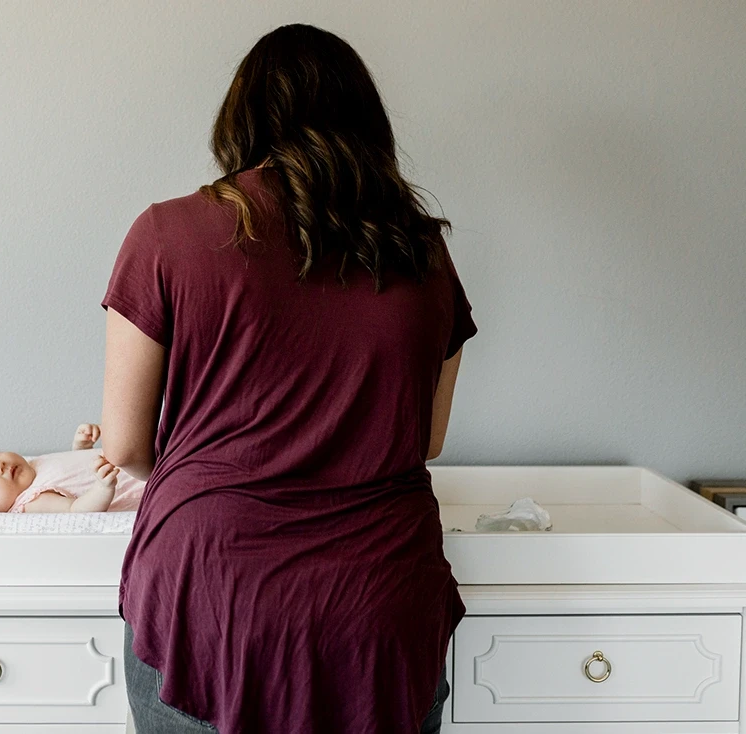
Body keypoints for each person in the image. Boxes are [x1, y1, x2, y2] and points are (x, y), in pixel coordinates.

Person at [98, 23, 476, 734]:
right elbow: (423, 438)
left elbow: (124, 446)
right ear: (368, 126)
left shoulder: (165, 235)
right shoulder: (421, 254)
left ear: (239, 122)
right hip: (375, 604)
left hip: (208, 596)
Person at [0, 423, 143, 513]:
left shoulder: (33, 465)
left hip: (136, 458)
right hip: (138, 483)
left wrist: (81, 448)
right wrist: (103, 489)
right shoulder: (31, 501)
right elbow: (76, 510)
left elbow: (72, 476)